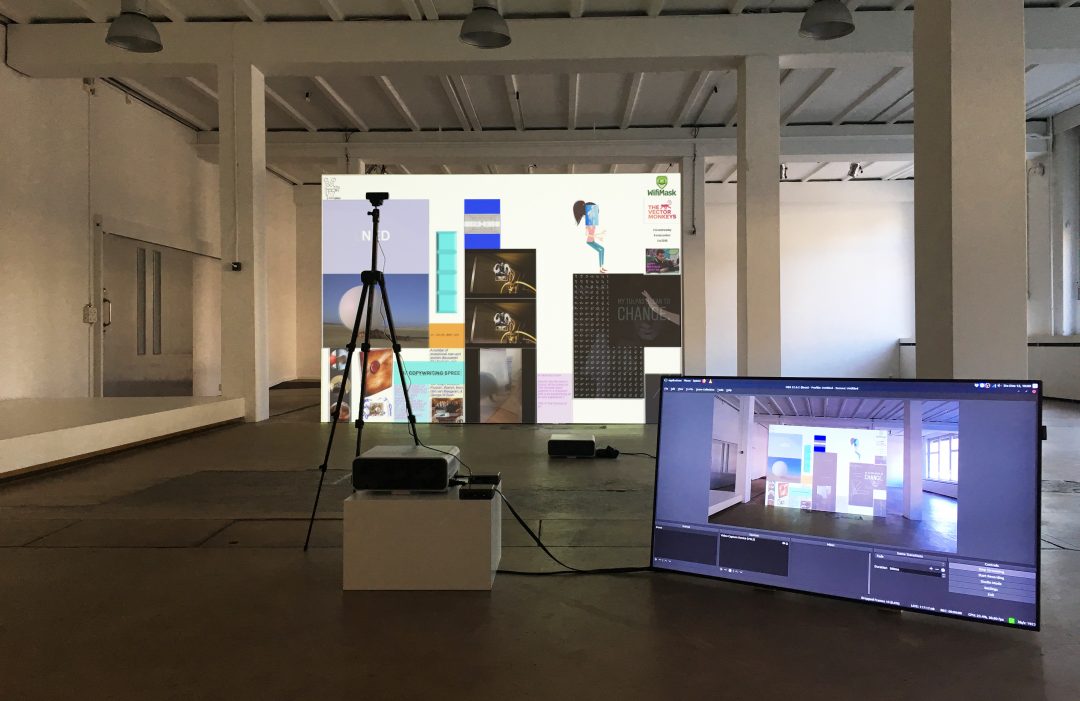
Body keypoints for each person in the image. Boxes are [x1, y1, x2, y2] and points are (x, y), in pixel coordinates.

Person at [573, 200, 606, 273]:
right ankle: (601, 268)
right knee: (600, 250)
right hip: (589, 242)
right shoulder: (588, 224)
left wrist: (601, 233)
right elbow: (587, 234)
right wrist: (598, 237)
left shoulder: (592, 223)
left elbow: (593, 233)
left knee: (602, 249)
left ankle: (602, 267)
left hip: (592, 241)